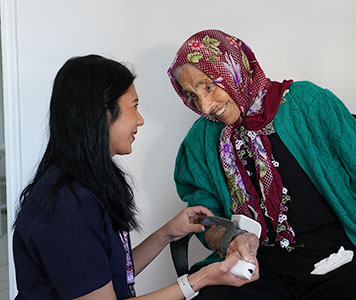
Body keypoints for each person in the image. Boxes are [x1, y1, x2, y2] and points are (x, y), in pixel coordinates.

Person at [167, 29, 356, 299]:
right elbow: (204, 214)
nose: (204, 106)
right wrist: (228, 239)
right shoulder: (202, 139)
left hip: (340, 256)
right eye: (192, 95)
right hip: (259, 267)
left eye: (208, 86)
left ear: (233, 70)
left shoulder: (308, 104)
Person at [13, 54, 258, 300]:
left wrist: (168, 233)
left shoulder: (85, 186)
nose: (140, 120)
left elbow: (110, 275)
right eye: (135, 105)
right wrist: (200, 279)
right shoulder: (67, 207)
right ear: (104, 112)